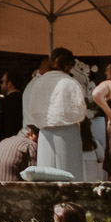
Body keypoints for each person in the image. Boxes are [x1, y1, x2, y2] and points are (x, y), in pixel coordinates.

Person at [23, 50, 88, 180]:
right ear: (70, 65)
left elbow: (32, 108)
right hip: (68, 132)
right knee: (70, 174)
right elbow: (80, 110)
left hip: (45, 133)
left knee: (46, 175)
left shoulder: (38, 83)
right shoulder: (71, 83)